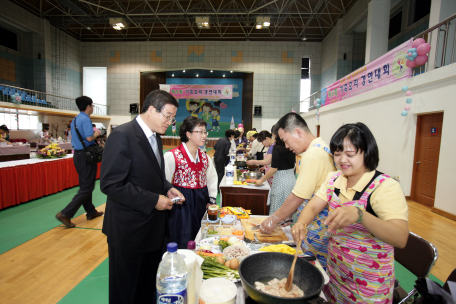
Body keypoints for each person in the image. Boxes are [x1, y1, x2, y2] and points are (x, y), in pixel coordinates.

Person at [291, 123, 409, 303]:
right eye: (337, 154)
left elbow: (400, 237)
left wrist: (360, 215)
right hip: (335, 273)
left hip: (369, 284)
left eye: (350, 154)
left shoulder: (384, 187)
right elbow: (313, 207)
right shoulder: (334, 179)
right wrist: (301, 223)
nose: (342, 160)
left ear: (367, 152)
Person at [100, 90, 185, 304]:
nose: (170, 122)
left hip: (152, 229)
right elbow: (111, 184)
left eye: (172, 118)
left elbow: (148, 173)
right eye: (167, 116)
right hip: (129, 231)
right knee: (126, 292)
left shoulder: (155, 135)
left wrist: (167, 188)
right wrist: (153, 200)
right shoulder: (123, 135)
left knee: (147, 288)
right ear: (150, 110)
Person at [259, 113, 336, 269]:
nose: (286, 146)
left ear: (298, 132)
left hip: (316, 227)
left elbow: (297, 197)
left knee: (313, 269)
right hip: (315, 222)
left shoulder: (312, 155)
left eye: (286, 141)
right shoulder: (320, 146)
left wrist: (273, 219)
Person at [164, 116, 218, 249]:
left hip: (201, 201)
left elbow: (211, 179)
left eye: (205, 132)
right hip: (181, 204)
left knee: (200, 236)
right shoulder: (172, 156)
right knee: (181, 236)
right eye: (199, 131)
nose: (204, 135)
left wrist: (211, 199)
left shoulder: (205, 157)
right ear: (188, 134)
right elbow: (163, 181)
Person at [55, 96, 104, 228]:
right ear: (88, 106)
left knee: (85, 185)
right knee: (87, 187)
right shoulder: (86, 119)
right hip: (86, 155)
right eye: (92, 105)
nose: (92, 107)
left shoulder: (75, 119)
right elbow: (89, 137)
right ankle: (66, 213)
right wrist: (97, 132)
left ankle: (91, 211)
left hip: (78, 155)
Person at [254, 127, 296, 215]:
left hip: (281, 182)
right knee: (288, 209)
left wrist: (261, 180)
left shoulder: (276, 148)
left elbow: (273, 168)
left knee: (277, 209)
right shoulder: (291, 146)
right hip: (291, 180)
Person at [213, 129, 235, 193]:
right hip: (222, 160)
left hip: (216, 158)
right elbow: (226, 152)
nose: (233, 137)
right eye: (233, 136)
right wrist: (231, 153)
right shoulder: (228, 142)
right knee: (221, 174)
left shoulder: (221, 139)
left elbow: (215, 147)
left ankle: (216, 187)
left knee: (218, 173)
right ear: (231, 135)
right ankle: (219, 189)